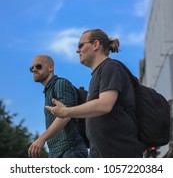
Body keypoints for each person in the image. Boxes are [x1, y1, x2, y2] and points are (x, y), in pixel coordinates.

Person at [45, 29, 146, 158]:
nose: (77, 50)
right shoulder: (98, 74)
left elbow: (104, 105)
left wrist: (66, 112)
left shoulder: (110, 67)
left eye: (80, 45)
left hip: (120, 154)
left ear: (96, 45)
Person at [28, 54, 88, 158]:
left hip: (71, 149)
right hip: (57, 153)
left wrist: (41, 138)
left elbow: (65, 116)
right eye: (31, 68)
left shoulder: (60, 84)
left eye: (38, 66)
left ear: (51, 67)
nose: (34, 70)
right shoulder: (48, 91)